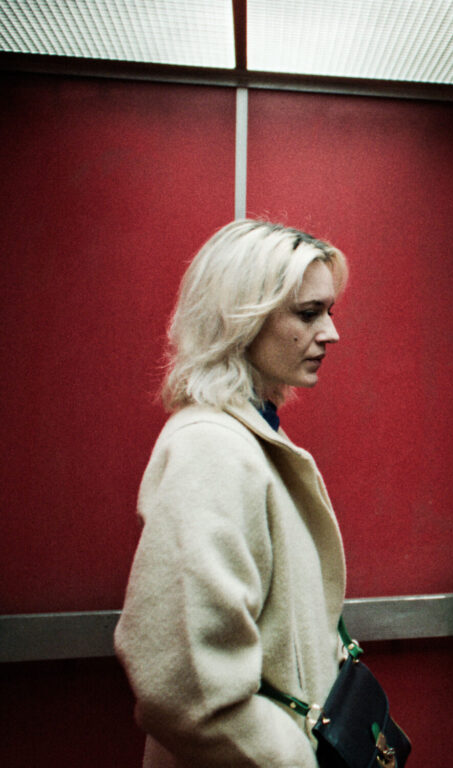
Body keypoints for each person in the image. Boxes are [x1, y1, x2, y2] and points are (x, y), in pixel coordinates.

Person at [115, 219, 349, 767]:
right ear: (242, 318)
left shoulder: (247, 431)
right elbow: (186, 692)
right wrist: (294, 758)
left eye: (329, 311)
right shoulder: (211, 447)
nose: (331, 333)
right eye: (308, 313)